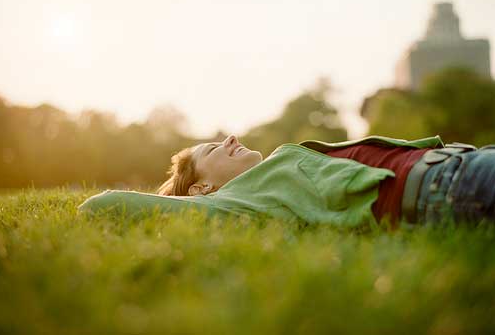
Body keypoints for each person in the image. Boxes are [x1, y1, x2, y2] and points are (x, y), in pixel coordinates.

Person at [78, 134, 495, 230]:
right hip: (450, 185)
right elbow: (97, 206)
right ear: (201, 190)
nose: (230, 138)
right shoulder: (237, 198)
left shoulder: (271, 168)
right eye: (212, 151)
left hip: (466, 158)